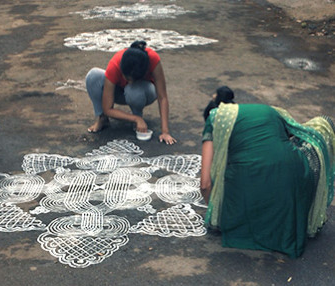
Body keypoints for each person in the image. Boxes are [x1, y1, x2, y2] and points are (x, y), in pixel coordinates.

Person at [200, 86, 335, 258]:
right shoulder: (267, 111)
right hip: (295, 179)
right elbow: (288, 138)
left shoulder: (213, 121)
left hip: (255, 183)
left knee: (235, 176)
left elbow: (205, 184)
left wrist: (214, 213)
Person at [85, 40, 176, 145]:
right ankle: (103, 119)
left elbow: (162, 97)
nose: (128, 81)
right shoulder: (116, 64)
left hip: (144, 92)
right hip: (119, 93)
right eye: (126, 78)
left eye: (132, 79)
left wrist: (165, 132)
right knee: (93, 76)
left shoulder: (153, 60)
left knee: (133, 89)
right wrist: (135, 119)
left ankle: (138, 114)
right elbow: (107, 108)